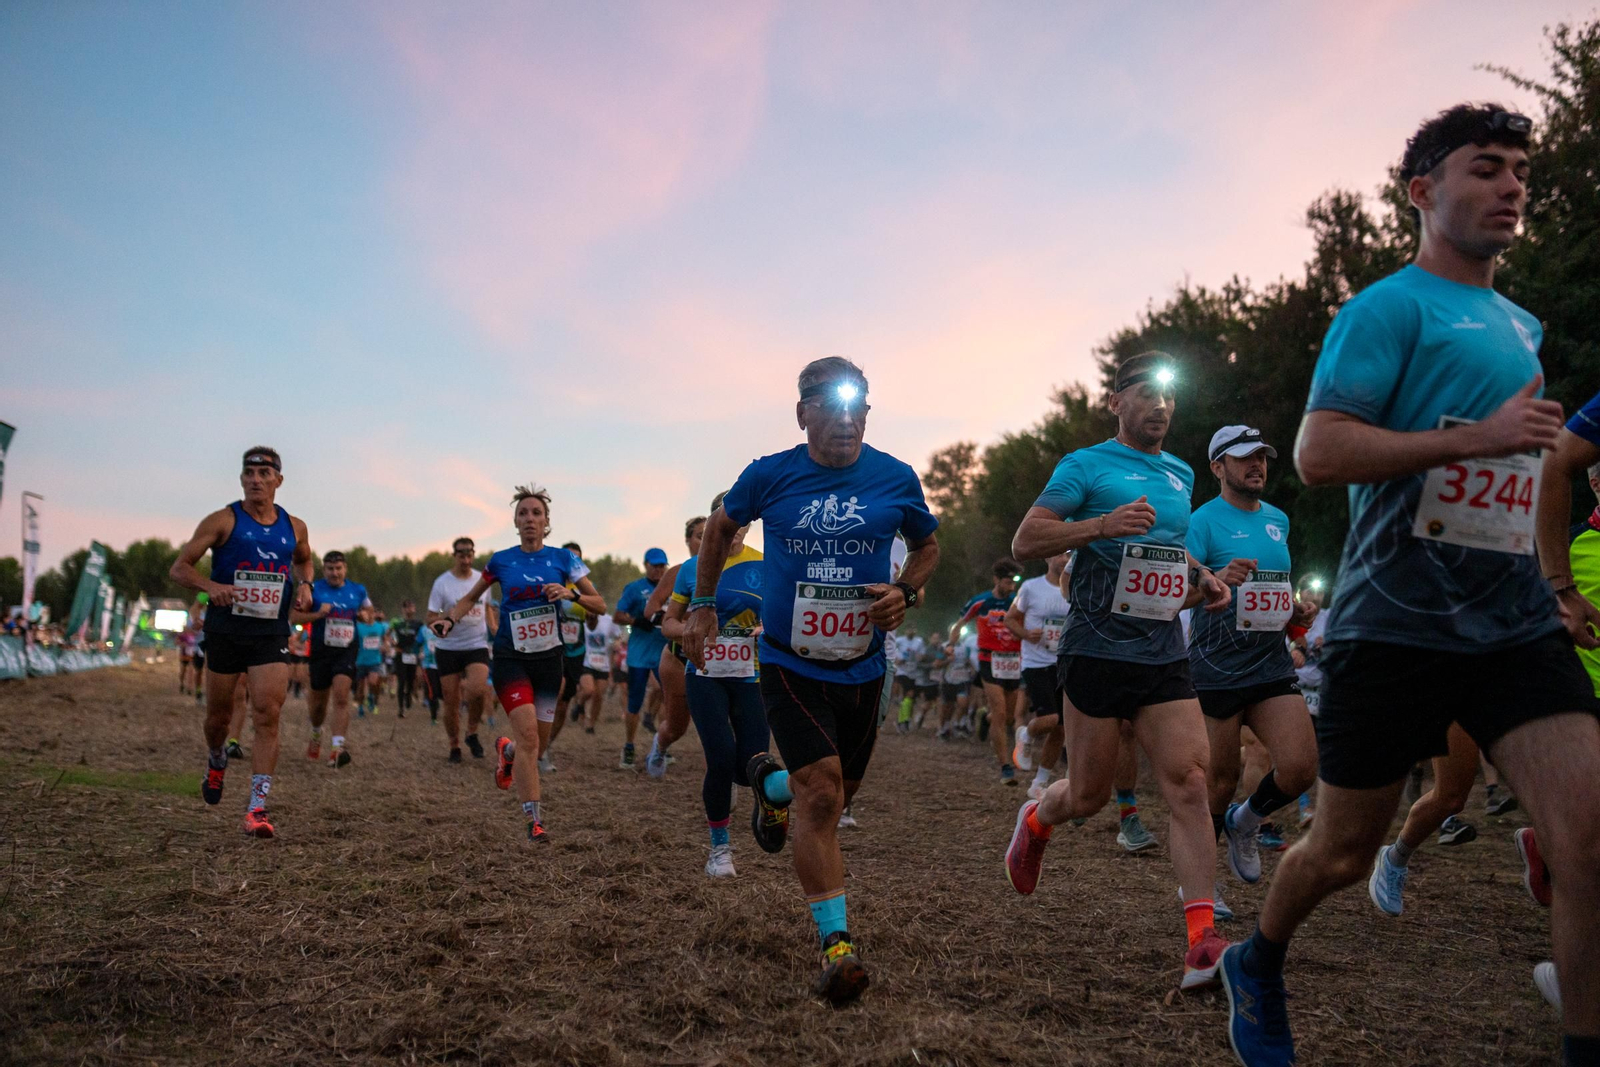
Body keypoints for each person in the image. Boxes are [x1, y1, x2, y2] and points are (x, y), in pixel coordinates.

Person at [1221, 105, 1600, 1067]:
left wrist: (1551, 577)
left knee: (1590, 843)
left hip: (1513, 624)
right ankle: (1258, 960)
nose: (1513, 185)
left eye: (1520, 169)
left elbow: (1526, 474)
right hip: (1395, 625)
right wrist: (1471, 439)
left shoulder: (1521, 324)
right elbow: (1318, 450)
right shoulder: (1386, 308)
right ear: (1424, 192)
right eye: (1486, 168)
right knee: (1343, 851)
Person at [683, 356, 939, 1004]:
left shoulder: (895, 476)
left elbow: (927, 543)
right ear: (803, 414)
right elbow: (719, 528)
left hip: (864, 665)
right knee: (821, 795)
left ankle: (770, 792)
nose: (847, 419)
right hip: (789, 660)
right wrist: (704, 603)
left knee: (836, 794)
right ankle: (837, 944)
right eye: (831, 407)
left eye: (859, 407)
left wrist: (906, 588)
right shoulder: (769, 475)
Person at [1003, 351, 1233, 992]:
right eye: (1148, 393)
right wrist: (1101, 524)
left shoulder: (1182, 472)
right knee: (1090, 794)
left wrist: (1200, 576)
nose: (1161, 406)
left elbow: (1165, 550)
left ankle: (1201, 941)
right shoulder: (1085, 465)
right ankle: (1038, 820)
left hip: (1162, 647)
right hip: (1097, 651)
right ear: (1117, 400)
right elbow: (1027, 541)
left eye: (1171, 397)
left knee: (1190, 780)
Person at [1185, 425, 1319, 902]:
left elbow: (1274, 592)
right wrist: (1215, 578)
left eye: (1261, 456)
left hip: (1269, 661)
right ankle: (1202, 885)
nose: (1256, 465)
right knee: (1216, 783)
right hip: (1216, 663)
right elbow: (1180, 594)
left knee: (1302, 767)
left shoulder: (1278, 520)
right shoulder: (1201, 521)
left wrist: (1295, 613)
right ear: (1218, 467)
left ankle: (1247, 820)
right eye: (1244, 458)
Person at [432, 486, 605, 841]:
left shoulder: (564, 560)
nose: (530, 519)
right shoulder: (500, 561)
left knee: (532, 745)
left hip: (549, 660)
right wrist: (449, 620)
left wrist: (570, 593)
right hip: (511, 658)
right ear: (515, 521)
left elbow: (600, 604)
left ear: (546, 522)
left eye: (536, 514)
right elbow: (469, 599)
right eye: (523, 513)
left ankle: (506, 752)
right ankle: (534, 820)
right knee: (528, 736)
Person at [169, 446, 315, 838]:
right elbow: (180, 567)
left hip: (270, 631)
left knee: (267, 712)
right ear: (241, 479)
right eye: (249, 472)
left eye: (264, 473)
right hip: (226, 630)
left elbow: (304, 559)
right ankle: (216, 759)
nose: (255, 479)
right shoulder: (222, 520)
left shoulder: (295, 526)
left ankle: (257, 809)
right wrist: (210, 585)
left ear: (278, 481)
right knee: (218, 719)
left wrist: (305, 586)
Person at [663, 492, 766, 877]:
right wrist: (688, 628)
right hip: (704, 674)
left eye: (743, 520)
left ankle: (762, 802)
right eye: (727, 519)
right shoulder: (692, 567)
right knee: (720, 758)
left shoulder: (764, 563)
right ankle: (719, 850)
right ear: (714, 523)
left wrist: (765, 629)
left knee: (755, 764)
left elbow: (779, 613)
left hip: (750, 675)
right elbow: (668, 622)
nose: (735, 527)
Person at [1005, 551, 1072, 799]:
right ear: (1047, 559)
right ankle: (1025, 733)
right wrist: (1025, 633)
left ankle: (1039, 782)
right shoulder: (1031, 587)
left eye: (1068, 555)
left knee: (1061, 729)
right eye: (1058, 555)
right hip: (1036, 662)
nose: (1064, 560)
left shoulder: (1074, 588)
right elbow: (1010, 619)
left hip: (1064, 663)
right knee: (1051, 718)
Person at [644, 516, 706, 778]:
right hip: (678, 656)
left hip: (721, 658)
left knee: (726, 723)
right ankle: (660, 745)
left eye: (709, 534)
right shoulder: (679, 572)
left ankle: (725, 775)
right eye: (699, 536)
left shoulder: (731, 570)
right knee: (677, 727)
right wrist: (675, 620)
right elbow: (650, 610)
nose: (705, 541)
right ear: (688, 541)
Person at [951, 561, 1024, 783]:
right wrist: (950, 643)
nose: (1011, 586)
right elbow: (960, 623)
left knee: (1009, 717)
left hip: (1014, 661)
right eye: (1007, 582)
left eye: (1013, 582)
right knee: (1001, 714)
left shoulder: (1018, 602)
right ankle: (1005, 767)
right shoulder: (981, 601)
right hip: (989, 659)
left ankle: (986, 718)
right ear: (996, 580)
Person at [296, 551, 370, 767]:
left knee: (341, 696)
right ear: (323, 570)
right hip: (320, 650)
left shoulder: (358, 590)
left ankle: (337, 748)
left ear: (345, 569)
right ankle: (316, 733)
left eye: (338, 569)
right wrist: (317, 615)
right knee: (318, 706)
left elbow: (368, 611)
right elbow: (295, 616)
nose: (335, 573)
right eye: (330, 569)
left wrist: (366, 616)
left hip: (346, 650)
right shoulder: (313, 589)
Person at [427, 537, 496, 763]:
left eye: (469, 554)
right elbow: (430, 617)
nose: (466, 559)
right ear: (454, 555)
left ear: (473, 554)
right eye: (461, 554)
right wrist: (442, 623)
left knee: (477, 689)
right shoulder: (442, 583)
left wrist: (495, 628)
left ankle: (472, 732)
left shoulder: (482, 579)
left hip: (476, 644)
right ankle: (454, 745)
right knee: (451, 701)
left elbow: (486, 608)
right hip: (448, 647)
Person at [612, 549, 670, 769]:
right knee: (634, 703)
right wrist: (637, 621)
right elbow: (618, 616)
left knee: (670, 699)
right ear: (645, 565)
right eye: (655, 565)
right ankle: (629, 746)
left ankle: (662, 747)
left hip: (664, 654)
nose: (658, 570)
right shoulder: (635, 588)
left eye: (662, 565)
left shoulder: (672, 587)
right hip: (638, 655)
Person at [548, 541, 589, 774]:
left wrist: (589, 613)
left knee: (563, 705)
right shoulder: (550, 581)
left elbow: (593, 615)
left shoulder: (584, 587)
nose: (573, 562)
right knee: (555, 692)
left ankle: (546, 746)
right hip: (552, 649)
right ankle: (536, 746)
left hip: (576, 652)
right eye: (569, 557)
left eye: (577, 558)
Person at [390, 599, 424, 716]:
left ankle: (408, 694)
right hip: (401, 654)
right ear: (403, 609)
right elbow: (389, 635)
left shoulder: (418, 624)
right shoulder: (397, 624)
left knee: (411, 680)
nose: (410, 609)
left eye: (412, 607)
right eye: (407, 607)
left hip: (413, 655)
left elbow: (423, 637)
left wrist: (421, 650)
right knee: (401, 680)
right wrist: (392, 643)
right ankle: (401, 708)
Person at [354, 604, 387, 716]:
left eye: (371, 612)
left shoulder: (380, 627)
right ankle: (360, 708)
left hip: (375, 660)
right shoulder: (358, 627)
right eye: (366, 612)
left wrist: (385, 645)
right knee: (361, 687)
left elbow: (385, 639)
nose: (369, 615)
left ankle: (371, 697)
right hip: (361, 660)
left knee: (373, 682)